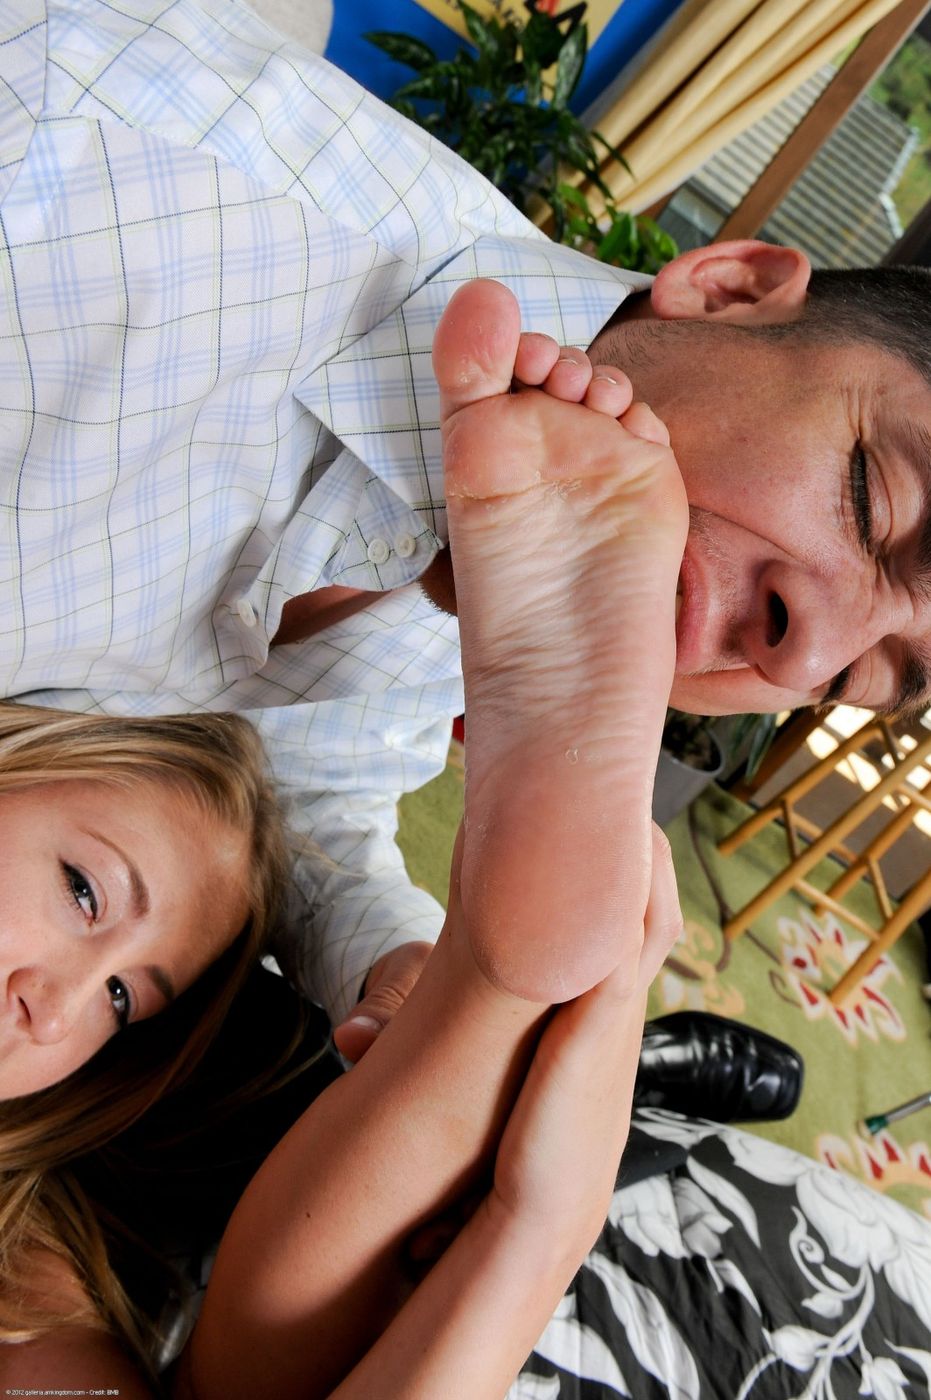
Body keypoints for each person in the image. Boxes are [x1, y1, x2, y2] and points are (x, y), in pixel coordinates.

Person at [5, 0, 931, 1049]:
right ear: (728, 291)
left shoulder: (538, 560)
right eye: (869, 498)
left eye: (854, 678)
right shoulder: (93, 164)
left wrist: (390, 961)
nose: (800, 653)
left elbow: (310, 776)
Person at [2, 270, 687, 1400]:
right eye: (85, 891)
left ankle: (502, 994)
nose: (60, 1009)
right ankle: (539, 1008)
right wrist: (537, 1226)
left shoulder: (23, 1259)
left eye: (124, 1000)